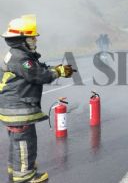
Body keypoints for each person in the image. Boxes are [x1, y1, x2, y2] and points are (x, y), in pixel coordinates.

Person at [0, 15, 74, 183]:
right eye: (32, 37)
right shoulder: (21, 58)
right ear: (21, 38)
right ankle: (25, 176)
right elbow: (38, 75)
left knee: (16, 141)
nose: (35, 40)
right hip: (18, 108)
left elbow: (37, 68)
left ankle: (16, 168)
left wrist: (55, 68)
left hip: (11, 107)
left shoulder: (17, 54)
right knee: (26, 142)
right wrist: (59, 72)